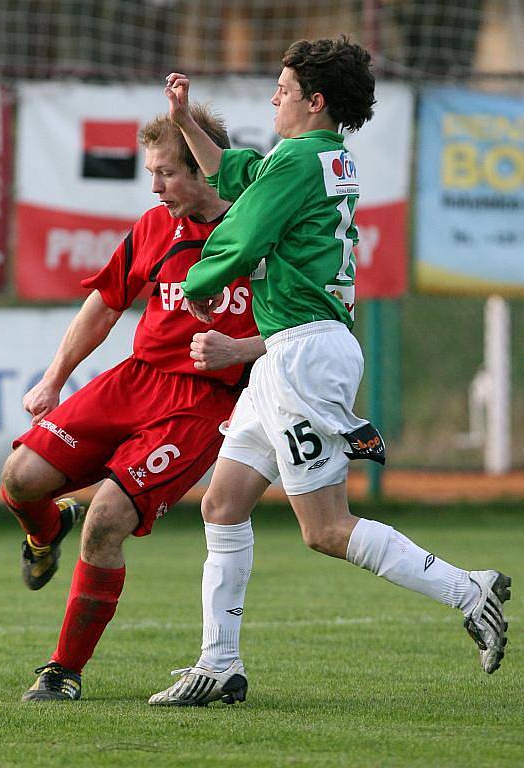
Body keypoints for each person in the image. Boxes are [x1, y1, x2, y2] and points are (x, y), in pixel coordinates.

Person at [149, 37, 511, 707]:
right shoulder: (323, 157)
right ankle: (219, 662)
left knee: (322, 529)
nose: (273, 98)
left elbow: (240, 235)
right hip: (295, 354)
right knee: (221, 502)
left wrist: (201, 279)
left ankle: (469, 588)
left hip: (302, 357)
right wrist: (185, 121)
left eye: (282, 90)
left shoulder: (294, 159)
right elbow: (238, 176)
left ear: (314, 102)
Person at [1, 105, 264, 702]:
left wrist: (242, 352)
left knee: (107, 521)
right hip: (134, 380)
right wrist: (54, 378)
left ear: (203, 166)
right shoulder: (153, 227)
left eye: (166, 172)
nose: (154, 186)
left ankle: (62, 672)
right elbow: (105, 303)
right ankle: (45, 536)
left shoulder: (259, 229)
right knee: (20, 478)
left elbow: (304, 323)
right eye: (151, 172)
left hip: (199, 403)